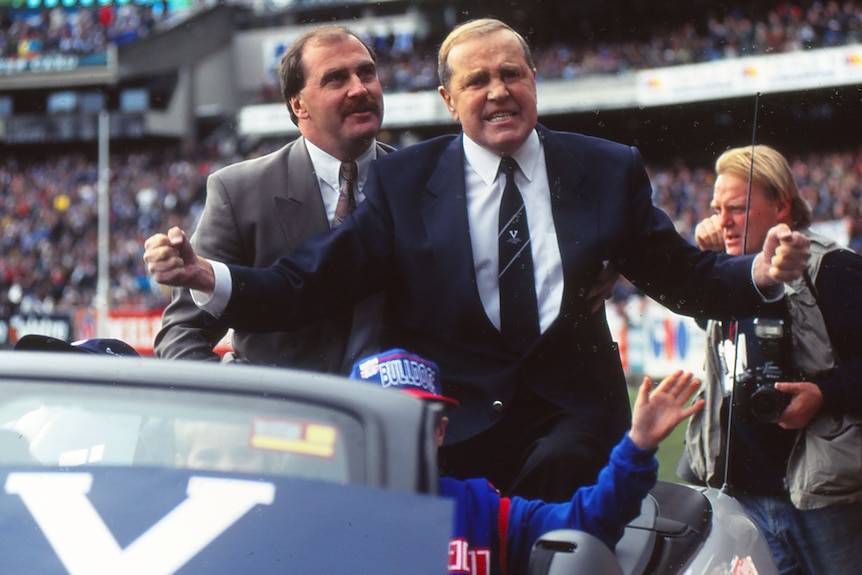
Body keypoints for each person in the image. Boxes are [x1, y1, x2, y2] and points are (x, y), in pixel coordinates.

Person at [143, 18, 810, 502]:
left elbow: (683, 276)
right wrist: (208, 275)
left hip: (569, 425)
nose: (497, 91)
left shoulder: (605, 169)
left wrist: (763, 274)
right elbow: (309, 280)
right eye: (478, 79)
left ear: (534, 81)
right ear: (448, 99)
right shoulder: (405, 184)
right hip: (452, 433)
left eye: (511, 74)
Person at [154, 25, 392, 372]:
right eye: (336, 79)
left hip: (389, 418)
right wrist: (225, 411)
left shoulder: (417, 181)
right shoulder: (239, 191)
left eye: (366, 73)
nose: (359, 89)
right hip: (276, 421)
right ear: (299, 105)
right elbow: (183, 332)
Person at [349, 348, 704, 575]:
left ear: (440, 431)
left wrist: (637, 445)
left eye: (416, 418)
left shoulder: (479, 507)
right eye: (387, 418)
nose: (402, 433)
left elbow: (581, 526)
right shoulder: (325, 511)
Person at [681, 144, 862, 575]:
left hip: (823, 499)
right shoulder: (724, 271)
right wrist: (708, 261)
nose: (721, 221)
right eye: (716, 208)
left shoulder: (831, 270)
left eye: (737, 209)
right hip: (742, 500)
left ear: (781, 206)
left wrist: (825, 395)